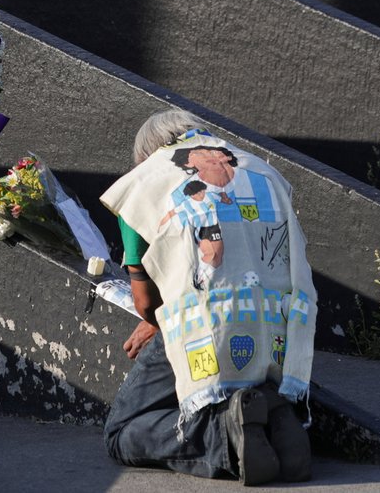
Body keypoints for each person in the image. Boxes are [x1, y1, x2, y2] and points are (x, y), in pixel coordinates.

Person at [100, 108, 316, 486]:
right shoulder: (260, 169)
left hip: (203, 324)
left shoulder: (143, 182)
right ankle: (278, 416)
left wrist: (156, 322)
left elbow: (146, 304)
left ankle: (226, 440)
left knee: (121, 432)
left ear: (149, 154)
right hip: (279, 325)